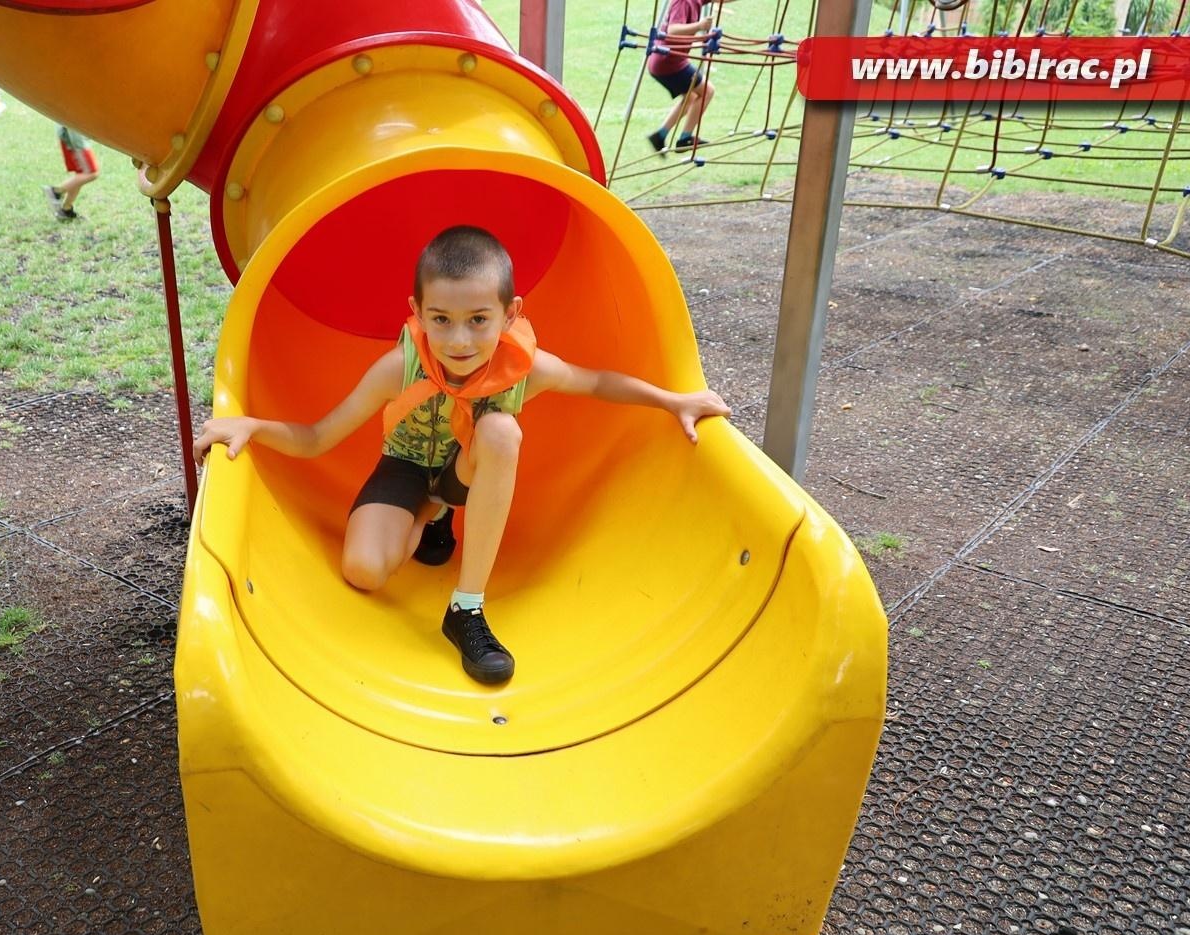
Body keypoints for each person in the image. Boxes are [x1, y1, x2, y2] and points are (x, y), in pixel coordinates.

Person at [192, 226, 732, 686]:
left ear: (510, 312)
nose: (460, 339)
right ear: (417, 313)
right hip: (405, 469)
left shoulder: (525, 368)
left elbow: (595, 382)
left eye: (478, 319)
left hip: (467, 472)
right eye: (441, 319)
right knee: (362, 570)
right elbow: (316, 437)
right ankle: (432, 514)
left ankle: (465, 606)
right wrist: (255, 425)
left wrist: (673, 400)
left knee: (499, 430)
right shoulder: (398, 369)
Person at [646, 0, 718, 153]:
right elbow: (673, 30)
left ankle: (660, 136)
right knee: (707, 91)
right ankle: (685, 139)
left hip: (670, 61)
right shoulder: (683, 1)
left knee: (691, 97)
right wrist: (699, 26)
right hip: (668, 62)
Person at [45, 126, 98, 220]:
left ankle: (66, 209)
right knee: (91, 173)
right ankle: (56, 192)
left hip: (71, 135)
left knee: (81, 174)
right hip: (75, 138)